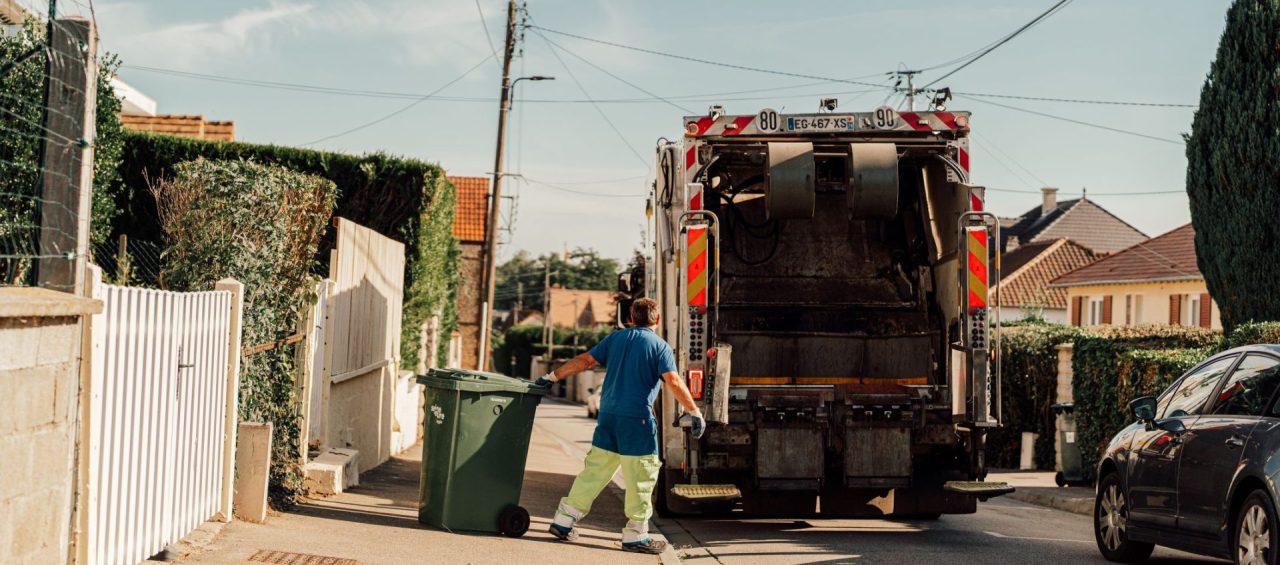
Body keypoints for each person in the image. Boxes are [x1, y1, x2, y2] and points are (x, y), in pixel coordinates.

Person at [535, 298, 705, 554]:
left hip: (608, 416)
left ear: (631, 318)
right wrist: (694, 411)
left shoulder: (615, 339)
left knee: (595, 471)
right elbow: (672, 380)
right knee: (641, 476)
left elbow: (585, 360)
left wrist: (551, 376)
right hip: (637, 420)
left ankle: (564, 520)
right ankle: (636, 535)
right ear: (657, 319)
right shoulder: (659, 346)